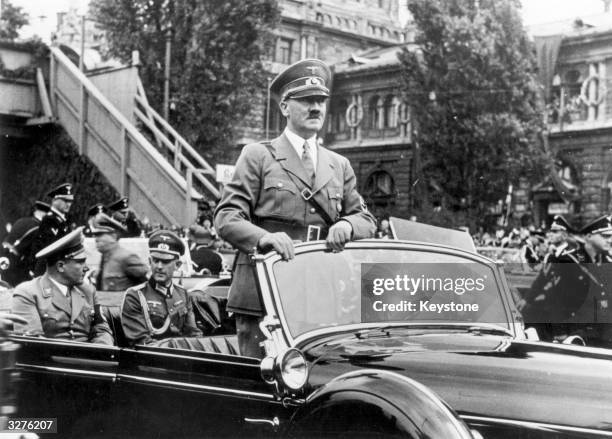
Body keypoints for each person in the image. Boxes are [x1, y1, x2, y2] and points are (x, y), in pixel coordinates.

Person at [214, 58, 377, 357]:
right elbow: (226, 217)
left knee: (312, 376)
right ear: (285, 107)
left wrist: (347, 225)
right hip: (264, 285)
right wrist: (264, 238)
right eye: (306, 100)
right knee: (262, 378)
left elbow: (366, 219)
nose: (316, 108)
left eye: (321, 101)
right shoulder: (258, 155)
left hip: (317, 290)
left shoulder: (338, 165)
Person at [11, 228, 113, 344]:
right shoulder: (28, 293)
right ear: (60, 266)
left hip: (90, 359)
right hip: (51, 360)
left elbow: (101, 330)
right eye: (80, 262)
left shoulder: (88, 291)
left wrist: (99, 352)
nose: (86, 268)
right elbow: (32, 342)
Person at [121, 230, 202, 346]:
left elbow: (193, 334)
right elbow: (140, 341)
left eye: (165, 262)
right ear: (150, 261)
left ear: (177, 265)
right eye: (156, 260)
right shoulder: (135, 296)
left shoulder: (183, 294)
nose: (159, 266)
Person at [92, 213, 149, 345]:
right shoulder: (105, 258)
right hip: (106, 319)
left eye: (100, 235)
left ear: (113, 236)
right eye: (95, 235)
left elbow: (145, 286)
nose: (96, 239)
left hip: (123, 320)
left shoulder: (126, 257)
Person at [1, 201, 49, 286]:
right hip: (19, 270)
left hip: (5, 260)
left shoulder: (22, 221)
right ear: (45, 214)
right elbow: (33, 254)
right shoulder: (38, 228)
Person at [32, 183, 75, 276]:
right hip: (48, 269)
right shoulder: (49, 220)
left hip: (59, 268)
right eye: (65, 200)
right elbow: (51, 245)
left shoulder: (65, 220)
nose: (68, 204)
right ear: (55, 200)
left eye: (70, 201)